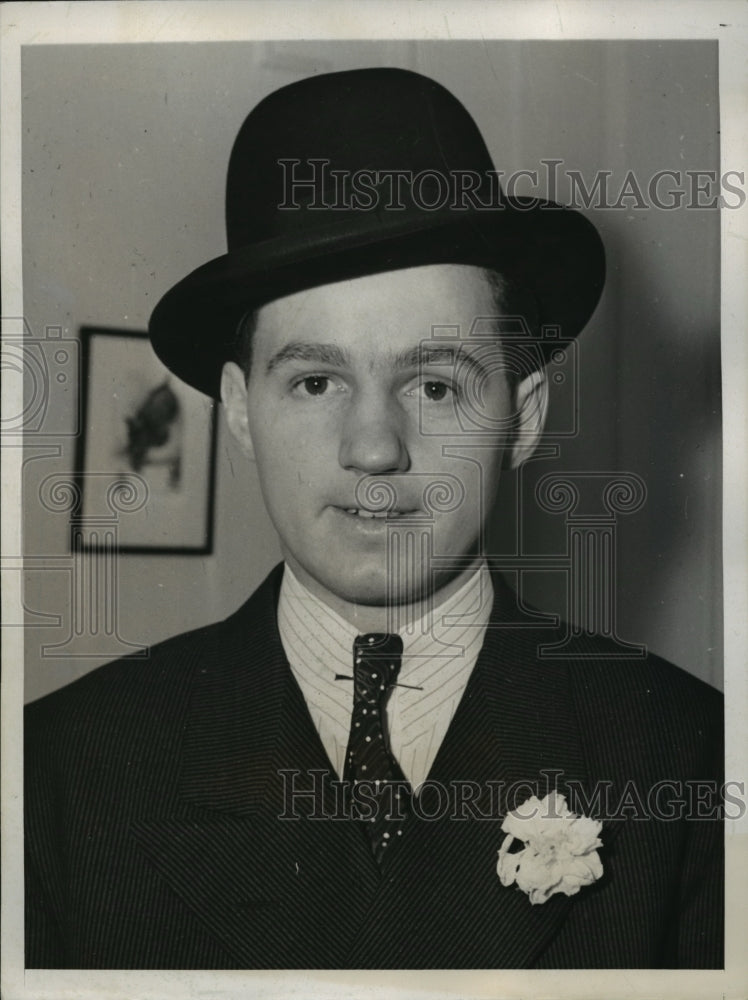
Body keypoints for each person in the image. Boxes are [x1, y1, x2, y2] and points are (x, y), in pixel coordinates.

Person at [25, 67, 723, 969]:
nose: (374, 447)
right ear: (241, 411)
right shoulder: (59, 772)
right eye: (316, 382)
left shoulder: (689, 757)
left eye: (434, 384)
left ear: (526, 416)